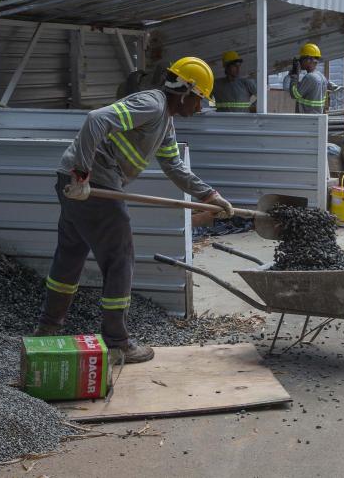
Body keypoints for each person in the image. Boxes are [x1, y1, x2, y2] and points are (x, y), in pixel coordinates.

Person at [34, 57, 234, 364]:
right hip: (91, 183)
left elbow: (174, 165)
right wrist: (82, 174)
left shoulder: (165, 121)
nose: (199, 108)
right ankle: (116, 342)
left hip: (75, 182)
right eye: (199, 100)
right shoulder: (152, 104)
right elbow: (95, 120)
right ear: (185, 91)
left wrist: (210, 195)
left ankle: (48, 329)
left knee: (71, 252)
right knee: (120, 258)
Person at [288, 43, 337, 114]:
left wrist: (295, 75)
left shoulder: (309, 77)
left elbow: (294, 94)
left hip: (307, 118)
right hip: (316, 117)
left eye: (302, 59)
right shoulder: (321, 76)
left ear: (309, 60)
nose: (300, 62)